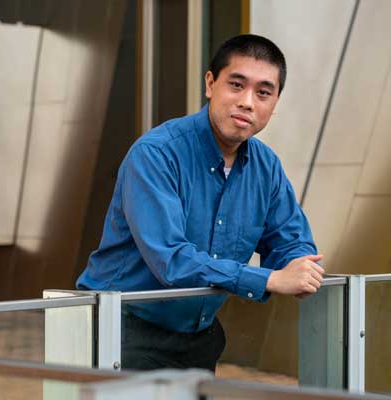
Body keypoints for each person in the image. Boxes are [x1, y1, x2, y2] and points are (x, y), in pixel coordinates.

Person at [76, 34, 324, 373]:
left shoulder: (266, 167)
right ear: (210, 83)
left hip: (198, 336)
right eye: (236, 85)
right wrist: (268, 279)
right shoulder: (156, 155)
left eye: (263, 92)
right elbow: (172, 261)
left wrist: (298, 266)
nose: (248, 102)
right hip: (121, 328)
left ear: (275, 101)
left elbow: (292, 241)